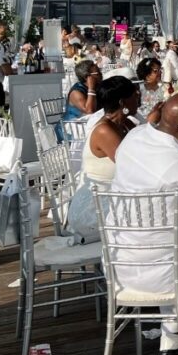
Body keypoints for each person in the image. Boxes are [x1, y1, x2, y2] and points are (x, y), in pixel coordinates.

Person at [108, 93, 178, 355]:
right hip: (167, 276)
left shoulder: (133, 139)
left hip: (121, 264)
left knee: (166, 236)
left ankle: (171, 336)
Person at [66, 76, 156, 243]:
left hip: (112, 197)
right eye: (134, 94)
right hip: (94, 208)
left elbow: (147, 150)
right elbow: (135, 166)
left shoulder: (125, 123)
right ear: (122, 103)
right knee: (156, 214)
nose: (138, 95)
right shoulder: (104, 130)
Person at [57, 60, 100, 140]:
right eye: (97, 73)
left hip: (85, 127)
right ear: (87, 77)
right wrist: (91, 88)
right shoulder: (76, 92)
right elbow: (89, 111)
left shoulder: (97, 86)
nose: (101, 74)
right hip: (70, 132)